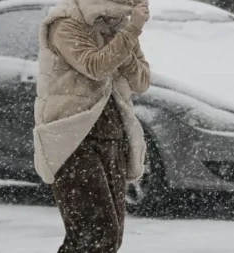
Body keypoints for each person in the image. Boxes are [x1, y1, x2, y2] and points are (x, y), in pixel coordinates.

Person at [33, 0, 151, 252]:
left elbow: (141, 81)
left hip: (113, 135)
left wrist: (123, 43)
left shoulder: (118, 27)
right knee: (98, 232)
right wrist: (130, 33)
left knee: (106, 237)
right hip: (72, 139)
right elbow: (95, 66)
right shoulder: (65, 23)